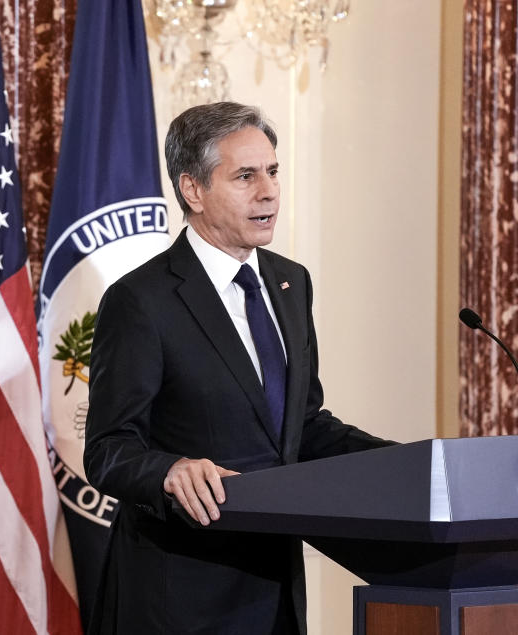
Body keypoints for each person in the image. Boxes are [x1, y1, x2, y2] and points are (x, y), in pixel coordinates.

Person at [83, 102, 393, 634]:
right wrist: (169, 470)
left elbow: (304, 425)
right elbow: (108, 448)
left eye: (272, 172)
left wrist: (406, 465)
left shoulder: (291, 283)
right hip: (180, 594)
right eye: (245, 176)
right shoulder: (141, 300)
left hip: (276, 590)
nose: (269, 191)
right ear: (193, 190)